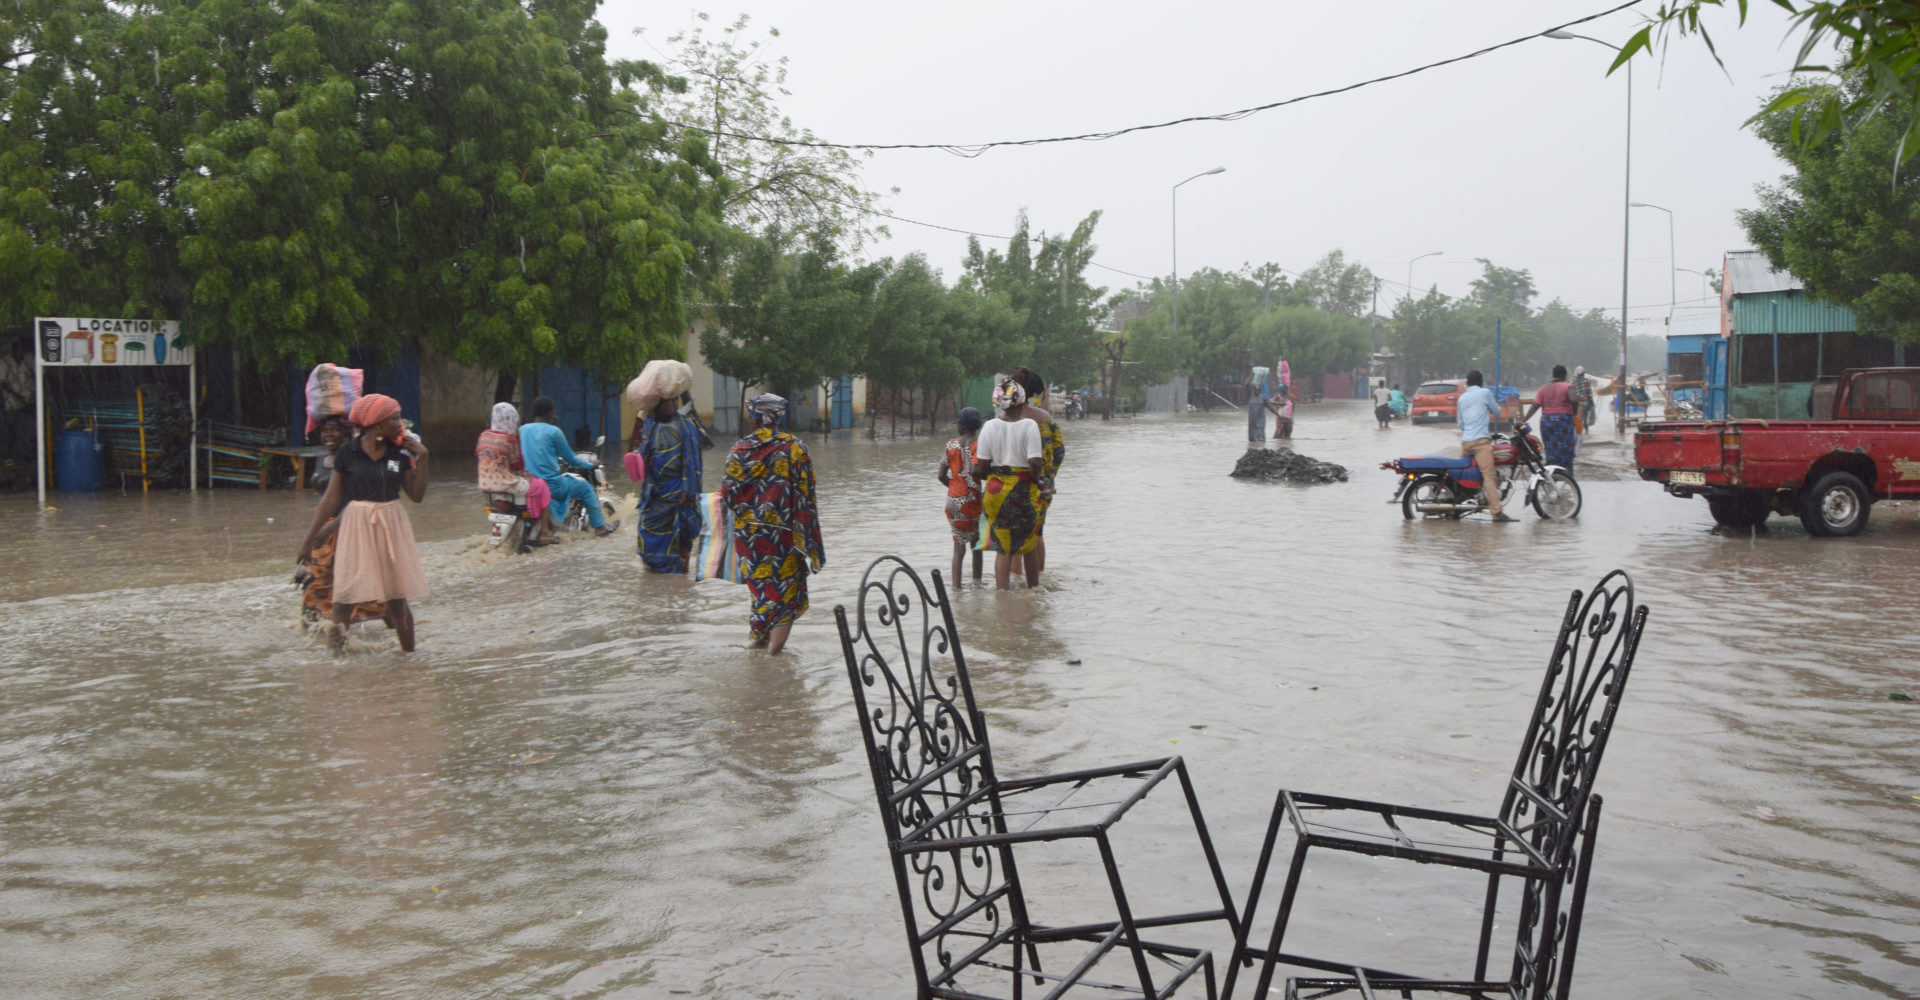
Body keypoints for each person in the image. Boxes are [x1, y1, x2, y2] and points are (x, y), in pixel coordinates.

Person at [296, 394, 430, 651]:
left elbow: (416, 495)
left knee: (398, 601)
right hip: (355, 527)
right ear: (377, 425)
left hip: (392, 525)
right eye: (394, 418)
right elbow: (330, 500)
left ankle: (409, 661)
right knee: (343, 600)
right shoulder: (349, 452)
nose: (400, 422)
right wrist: (307, 543)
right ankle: (337, 663)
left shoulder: (399, 452)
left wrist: (423, 458)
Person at [720, 394, 825, 654]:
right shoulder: (794, 448)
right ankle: (773, 656)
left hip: (748, 537)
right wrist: (807, 533)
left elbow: (727, 494)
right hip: (783, 537)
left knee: (761, 589)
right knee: (784, 591)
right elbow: (807, 490)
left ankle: (760, 644)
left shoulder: (738, 450)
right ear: (778, 417)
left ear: (755, 418)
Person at [295, 416, 389, 631]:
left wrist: (333, 525)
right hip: (325, 530)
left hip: (350, 527)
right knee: (314, 582)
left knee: (363, 584)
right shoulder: (321, 460)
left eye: (334, 430)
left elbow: (361, 498)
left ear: (347, 434)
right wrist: (313, 533)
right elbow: (324, 501)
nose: (328, 435)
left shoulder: (354, 460)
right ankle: (308, 634)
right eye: (324, 430)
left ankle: (396, 627)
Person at [972, 376, 1045, 590]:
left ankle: (1001, 596)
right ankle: (1033, 592)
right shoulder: (1029, 425)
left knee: (1002, 547)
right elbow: (1035, 462)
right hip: (1024, 490)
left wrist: (996, 476)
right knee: (1029, 545)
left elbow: (982, 466)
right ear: (1022, 401)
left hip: (996, 491)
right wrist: (1037, 481)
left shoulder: (989, 427)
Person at [521, 395, 617, 537]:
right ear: (550, 413)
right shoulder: (554, 431)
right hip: (551, 486)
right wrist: (591, 465)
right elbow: (571, 459)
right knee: (585, 488)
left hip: (528, 484)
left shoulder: (521, 430)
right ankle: (600, 527)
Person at [633, 392, 704, 573]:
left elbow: (694, 461)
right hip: (654, 492)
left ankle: (682, 576)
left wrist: (689, 491)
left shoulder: (687, 426)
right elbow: (637, 457)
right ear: (657, 404)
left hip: (680, 490)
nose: (672, 404)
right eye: (667, 401)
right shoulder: (649, 425)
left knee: (683, 535)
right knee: (648, 536)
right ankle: (655, 578)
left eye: (675, 400)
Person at [476, 402, 559, 545]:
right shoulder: (509, 439)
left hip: (485, 484)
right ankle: (545, 532)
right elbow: (518, 464)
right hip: (506, 483)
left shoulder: (484, 436)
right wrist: (518, 439)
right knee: (542, 486)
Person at [1010, 367, 1063, 585]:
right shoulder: (1046, 418)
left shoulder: (1007, 419)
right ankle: (1038, 580)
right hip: (1043, 487)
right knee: (1037, 532)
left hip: (1012, 486)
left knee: (1014, 537)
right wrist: (1048, 478)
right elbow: (1059, 451)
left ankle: (1013, 585)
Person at [1457, 370, 1515, 523]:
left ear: (1468, 383)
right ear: (1481, 382)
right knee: (1489, 476)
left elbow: (1461, 423)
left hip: (1466, 442)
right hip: (1481, 442)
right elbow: (1497, 411)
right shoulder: (1485, 393)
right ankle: (1496, 512)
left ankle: (1459, 499)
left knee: (1459, 473)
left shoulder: (1462, 398)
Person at [938, 407, 985, 588]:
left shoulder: (950, 445)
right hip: (974, 500)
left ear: (961, 425)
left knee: (958, 548)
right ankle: (977, 584)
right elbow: (983, 470)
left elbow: (941, 475)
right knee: (976, 546)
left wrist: (954, 486)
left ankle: (956, 589)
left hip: (954, 500)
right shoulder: (979, 445)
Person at [1521, 365, 1578, 476]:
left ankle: (1551, 475)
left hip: (1547, 423)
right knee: (1566, 449)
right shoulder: (1568, 386)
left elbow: (1534, 406)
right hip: (1563, 421)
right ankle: (1567, 475)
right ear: (1565, 375)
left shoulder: (1543, 389)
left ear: (1553, 375)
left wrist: (1523, 420)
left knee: (1551, 450)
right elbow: (1574, 400)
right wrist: (1574, 412)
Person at [1246, 366, 1272, 443]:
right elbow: (1246, 385)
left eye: (1259, 388)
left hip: (1260, 424)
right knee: (1253, 441)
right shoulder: (1250, 396)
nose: (1258, 389)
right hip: (1252, 424)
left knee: (1261, 441)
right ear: (1253, 388)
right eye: (1256, 388)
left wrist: (1278, 415)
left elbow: (1270, 407)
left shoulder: (1263, 397)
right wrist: (1252, 375)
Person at [1568, 365, 1596, 436]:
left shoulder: (1573, 382)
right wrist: (1591, 401)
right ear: (1583, 373)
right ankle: (1586, 431)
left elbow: (1572, 394)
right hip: (1586, 402)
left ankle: (1578, 434)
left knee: (1578, 418)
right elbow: (1589, 392)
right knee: (1585, 417)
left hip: (1577, 403)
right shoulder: (1586, 380)